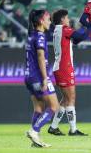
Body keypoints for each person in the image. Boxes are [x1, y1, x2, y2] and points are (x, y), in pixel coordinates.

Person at [47, 9, 91, 136]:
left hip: (60, 66)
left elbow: (76, 40)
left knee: (65, 99)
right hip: (64, 67)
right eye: (67, 18)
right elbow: (80, 36)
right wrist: (90, 26)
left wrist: (87, 28)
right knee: (71, 97)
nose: (68, 20)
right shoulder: (63, 29)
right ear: (62, 20)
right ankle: (73, 130)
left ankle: (53, 127)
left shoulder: (58, 30)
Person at [24, 9, 59, 148]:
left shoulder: (31, 35)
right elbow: (40, 56)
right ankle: (34, 130)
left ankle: (35, 140)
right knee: (54, 106)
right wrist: (45, 78)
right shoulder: (40, 36)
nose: (50, 21)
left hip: (28, 77)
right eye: (48, 19)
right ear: (40, 21)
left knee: (39, 108)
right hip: (38, 76)